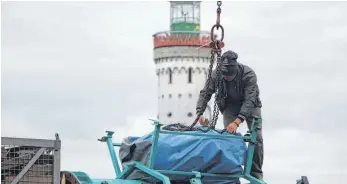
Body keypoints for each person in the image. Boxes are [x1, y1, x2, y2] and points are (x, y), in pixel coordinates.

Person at [196, 50, 264, 180]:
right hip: (229, 105)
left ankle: (256, 174)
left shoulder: (248, 75)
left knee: (257, 137)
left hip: (251, 105)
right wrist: (200, 112)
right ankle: (231, 174)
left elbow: (249, 100)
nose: (227, 78)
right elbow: (205, 93)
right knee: (228, 136)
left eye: (230, 76)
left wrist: (237, 121)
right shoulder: (216, 74)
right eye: (225, 76)